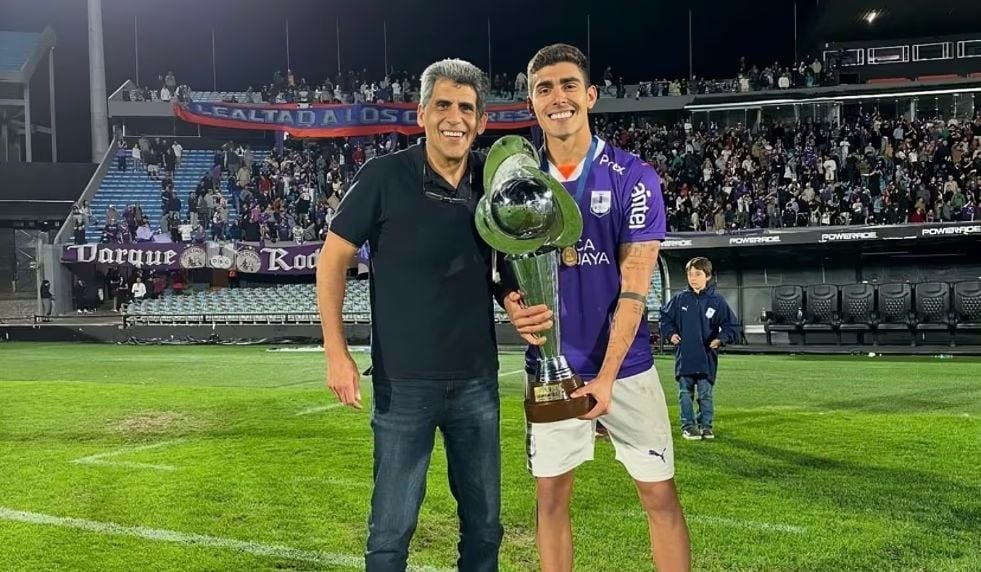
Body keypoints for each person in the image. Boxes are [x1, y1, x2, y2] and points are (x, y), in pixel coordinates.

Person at [501, 43, 691, 571]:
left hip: (625, 370)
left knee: (659, 497)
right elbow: (500, 272)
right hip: (550, 370)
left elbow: (635, 287)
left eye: (567, 86)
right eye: (543, 89)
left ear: (590, 95)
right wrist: (511, 305)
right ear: (531, 105)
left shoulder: (633, 177)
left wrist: (606, 377)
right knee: (550, 500)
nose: (556, 98)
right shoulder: (513, 185)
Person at [315, 58, 504, 572]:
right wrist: (337, 351)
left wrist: (514, 296)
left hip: (477, 383)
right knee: (391, 533)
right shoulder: (383, 176)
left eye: (467, 108)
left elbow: (507, 263)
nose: (455, 118)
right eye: (443, 104)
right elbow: (332, 257)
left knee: (486, 529)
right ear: (421, 113)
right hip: (403, 385)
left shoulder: (495, 179)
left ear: (482, 120)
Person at [659, 257, 740, 440]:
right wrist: (671, 333)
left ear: (708, 276)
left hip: (706, 359)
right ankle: (688, 426)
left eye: (697, 274)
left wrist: (720, 339)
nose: (693, 278)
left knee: (705, 394)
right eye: (690, 274)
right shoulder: (679, 299)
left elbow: (732, 326)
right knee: (685, 394)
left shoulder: (717, 301)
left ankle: (706, 426)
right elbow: (664, 318)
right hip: (685, 357)